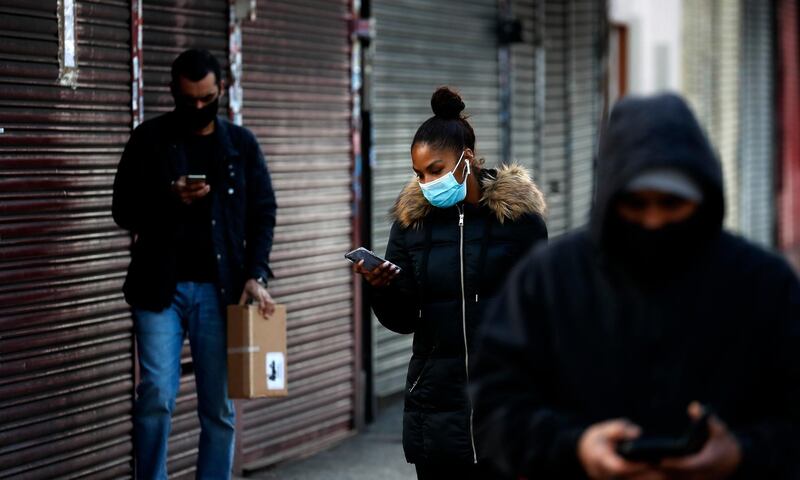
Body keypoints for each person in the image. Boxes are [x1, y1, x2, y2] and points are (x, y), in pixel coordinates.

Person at [469, 93, 800, 480]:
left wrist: (740, 454)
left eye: (672, 203)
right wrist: (575, 447)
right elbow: (495, 405)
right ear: (610, 198)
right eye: (636, 204)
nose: (654, 220)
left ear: (703, 198)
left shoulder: (763, 284)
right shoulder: (549, 280)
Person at [354, 87, 548, 479]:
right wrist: (381, 285)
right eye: (419, 174)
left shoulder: (520, 223)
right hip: (436, 408)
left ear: (467, 160)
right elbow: (404, 319)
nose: (427, 183)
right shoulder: (410, 226)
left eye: (436, 170)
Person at [112, 49, 277, 479]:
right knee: (156, 396)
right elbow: (122, 209)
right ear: (173, 93)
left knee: (218, 408)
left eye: (207, 98)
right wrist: (169, 196)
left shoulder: (241, 145)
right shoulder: (148, 140)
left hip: (220, 291)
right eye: (190, 100)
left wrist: (257, 274)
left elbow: (263, 212)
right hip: (158, 288)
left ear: (221, 89)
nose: (199, 107)